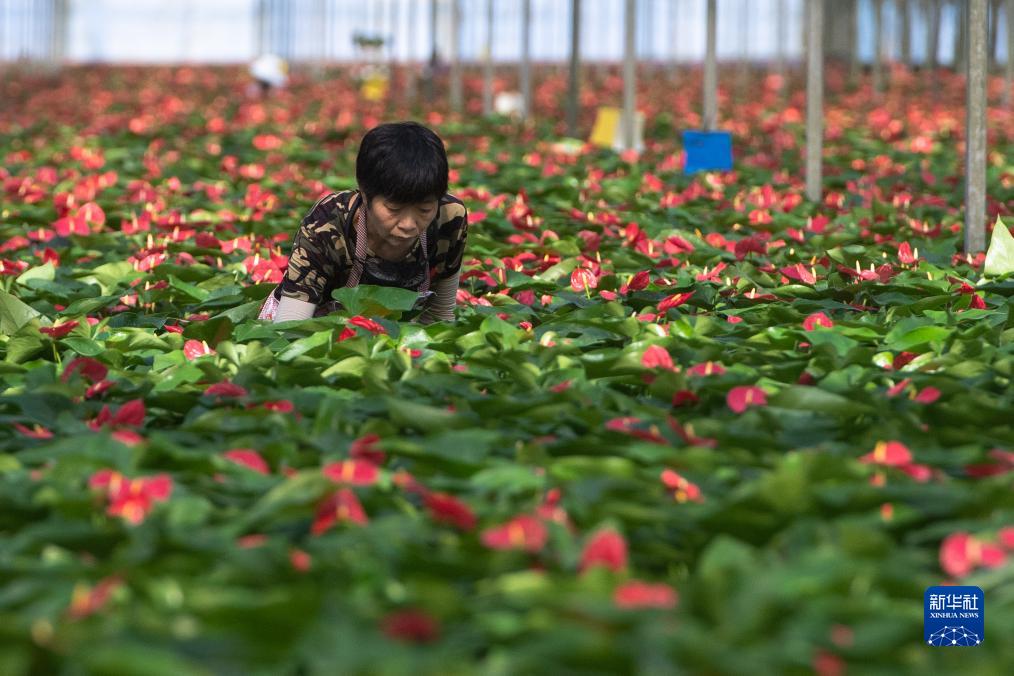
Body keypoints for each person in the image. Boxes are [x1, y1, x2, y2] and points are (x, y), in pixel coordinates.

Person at [258, 121, 468, 324]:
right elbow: (290, 327)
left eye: (424, 210)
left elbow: (440, 316)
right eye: (393, 209)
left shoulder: (449, 218)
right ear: (365, 195)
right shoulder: (326, 223)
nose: (408, 224)